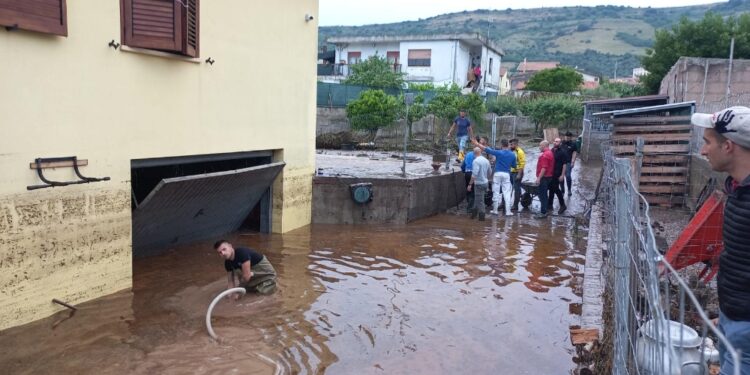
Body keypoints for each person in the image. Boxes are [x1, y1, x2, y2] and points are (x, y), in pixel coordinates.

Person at [691, 106, 750, 374]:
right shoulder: (737, 188)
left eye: (707, 142)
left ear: (728, 146)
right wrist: (726, 315)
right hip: (733, 316)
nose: (703, 151)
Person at [474, 138, 517, 216]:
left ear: (501, 145)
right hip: (506, 174)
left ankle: (495, 210)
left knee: (496, 192)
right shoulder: (512, 154)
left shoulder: (498, 152)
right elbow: (514, 165)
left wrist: (477, 144)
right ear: (508, 145)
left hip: (497, 174)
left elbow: (487, 149)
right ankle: (508, 211)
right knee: (507, 192)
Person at [467, 147, 491, 221]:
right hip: (485, 182)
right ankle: (473, 215)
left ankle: (482, 218)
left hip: (479, 184)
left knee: (480, 201)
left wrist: (470, 184)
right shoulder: (486, 160)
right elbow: (490, 172)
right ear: (480, 152)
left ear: (474, 153)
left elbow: (474, 174)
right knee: (478, 199)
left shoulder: (476, 161)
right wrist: (486, 178)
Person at [534, 140, 554, 219]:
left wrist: (539, 178)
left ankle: (543, 212)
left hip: (544, 178)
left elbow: (544, 168)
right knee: (544, 194)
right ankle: (544, 210)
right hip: (548, 177)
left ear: (544, 146)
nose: (539, 147)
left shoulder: (545, 155)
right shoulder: (550, 153)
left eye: (540, 146)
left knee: (543, 195)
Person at [548, 138, 569, 214]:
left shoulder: (563, 152)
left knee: (556, 189)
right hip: (551, 173)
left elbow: (564, 164)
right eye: (554, 141)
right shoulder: (552, 150)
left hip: (558, 173)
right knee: (551, 188)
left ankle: (562, 205)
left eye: (557, 142)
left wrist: (562, 175)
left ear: (560, 143)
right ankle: (550, 205)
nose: (555, 142)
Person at [510, 138, 526, 211]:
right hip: (512, 171)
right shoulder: (512, 151)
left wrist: (519, 174)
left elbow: (522, 164)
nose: (510, 146)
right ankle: (520, 196)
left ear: (516, 144)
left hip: (517, 172)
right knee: (515, 187)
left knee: (516, 188)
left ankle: (515, 205)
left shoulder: (520, 152)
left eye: (512, 144)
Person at [560, 131, 579, 196]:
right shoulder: (561, 143)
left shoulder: (573, 144)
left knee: (568, 176)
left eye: (568, 137)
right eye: (566, 136)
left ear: (571, 137)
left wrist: (573, 161)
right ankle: (562, 190)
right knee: (561, 177)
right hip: (560, 163)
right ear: (564, 136)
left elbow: (574, 153)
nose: (567, 138)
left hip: (568, 162)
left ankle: (569, 190)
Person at [461, 146, 476, 213]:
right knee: (473, 190)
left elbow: (462, 165)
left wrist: (464, 171)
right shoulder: (478, 155)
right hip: (473, 174)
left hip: (467, 173)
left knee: (468, 188)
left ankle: (468, 202)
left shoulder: (468, 154)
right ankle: (470, 208)